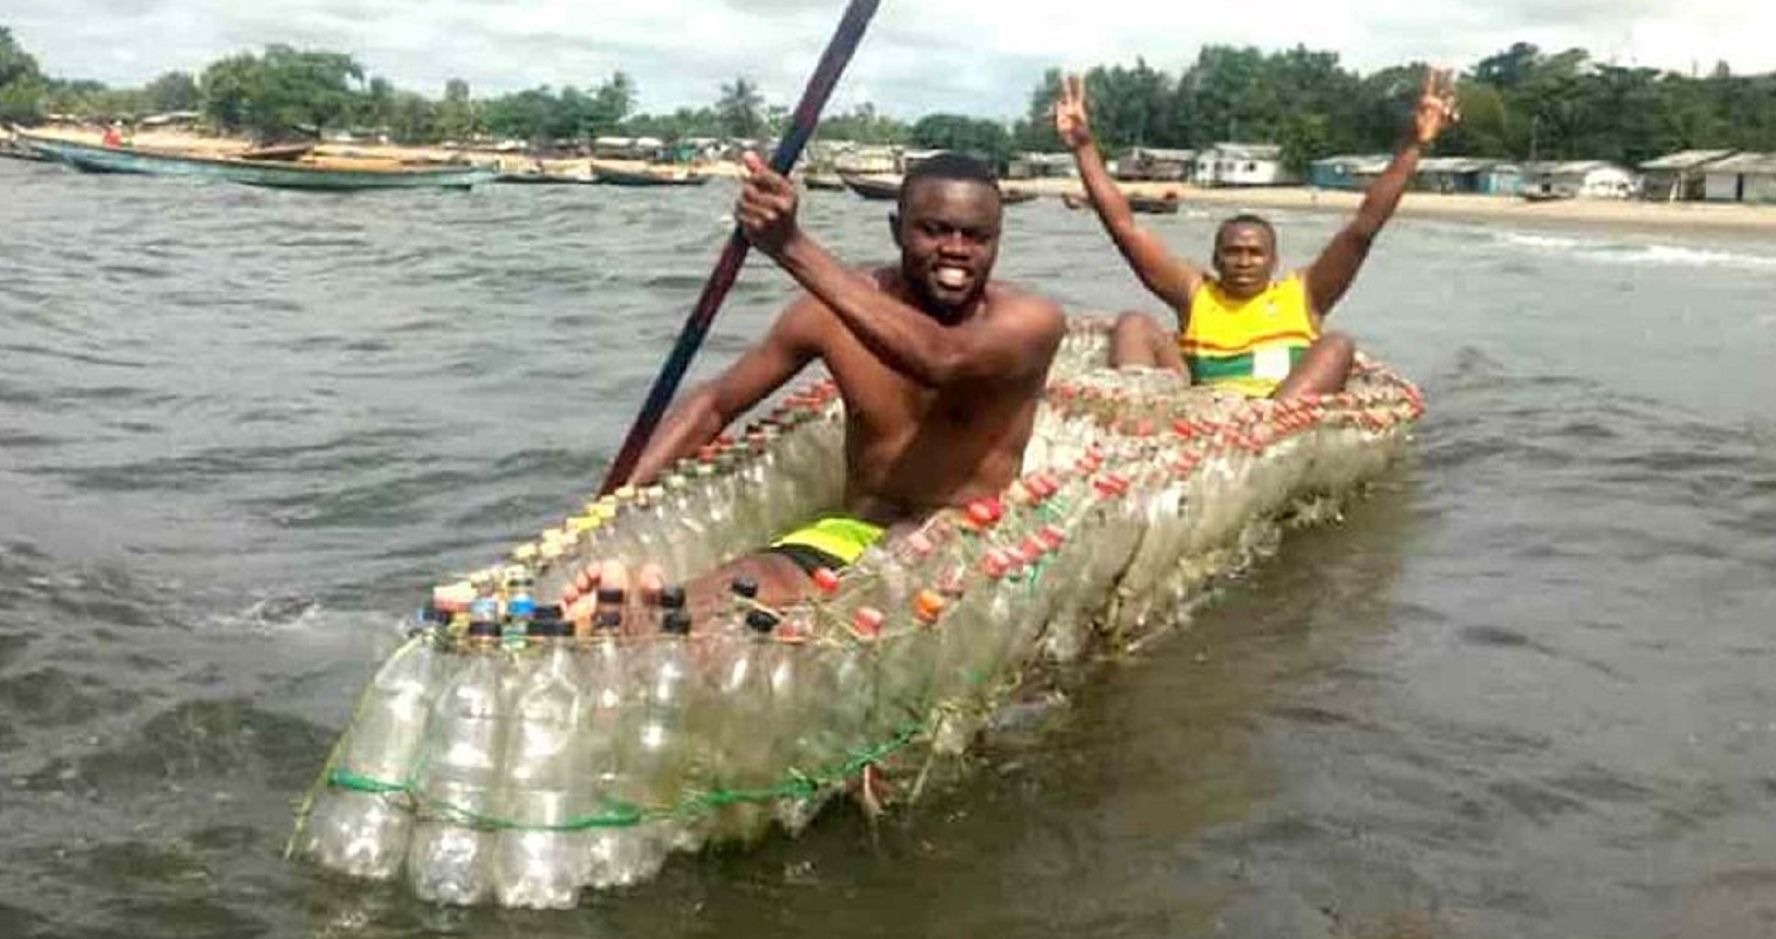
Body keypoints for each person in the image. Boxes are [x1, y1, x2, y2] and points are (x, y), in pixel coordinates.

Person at [563, 150, 1067, 629]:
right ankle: (636, 620)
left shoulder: (1030, 321)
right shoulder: (832, 313)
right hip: (856, 531)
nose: (956, 250)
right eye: (934, 231)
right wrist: (606, 508)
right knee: (740, 585)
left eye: (977, 237)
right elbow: (714, 406)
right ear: (897, 229)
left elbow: (940, 359)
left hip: (968, 533)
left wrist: (790, 245)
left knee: (902, 557)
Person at [1051, 68, 1460, 398]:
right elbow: (1126, 228)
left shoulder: (1304, 295)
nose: (1244, 262)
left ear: (1273, 261)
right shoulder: (1196, 294)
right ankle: (1136, 426)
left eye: (1254, 253)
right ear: (1216, 259)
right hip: (1199, 411)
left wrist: (1415, 145)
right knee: (1134, 323)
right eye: (1233, 252)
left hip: (1275, 420)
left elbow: (1364, 228)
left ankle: (1263, 434)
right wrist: (1083, 147)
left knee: (1338, 345)